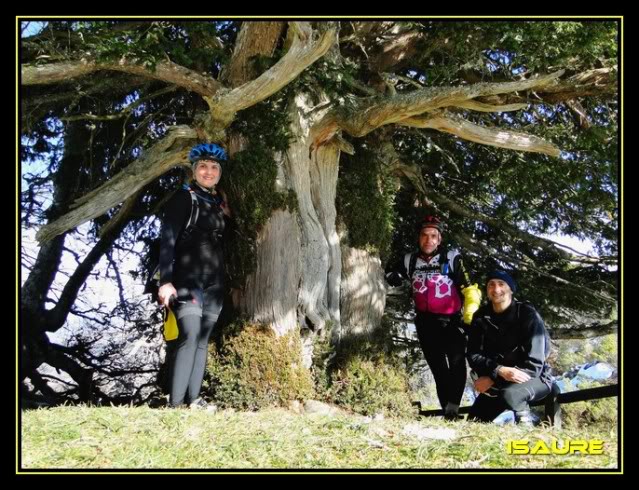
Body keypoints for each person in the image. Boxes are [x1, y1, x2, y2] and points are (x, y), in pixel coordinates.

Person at [386, 215, 481, 420]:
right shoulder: (409, 260)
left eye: (433, 236)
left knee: (456, 364)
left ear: (439, 239)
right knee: (438, 368)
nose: (428, 240)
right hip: (425, 322)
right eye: (424, 235)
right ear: (419, 238)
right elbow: (391, 274)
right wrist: (392, 276)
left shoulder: (452, 257)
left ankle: (453, 408)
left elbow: (471, 289)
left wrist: (469, 317)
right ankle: (448, 411)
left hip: (452, 321)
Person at [158, 142, 231, 409]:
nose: (208, 171)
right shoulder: (183, 197)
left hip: (215, 282)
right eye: (203, 167)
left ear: (219, 173)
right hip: (187, 279)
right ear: (194, 170)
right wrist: (165, 281)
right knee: (189, 336)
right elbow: (166, 240)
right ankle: (175, 404)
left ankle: (194, 400)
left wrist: (225, 209)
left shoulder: (216, 203)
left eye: (214, 167)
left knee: (202, 339)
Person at [467, 270, 553, 426]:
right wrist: (499, 371)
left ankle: (526, 431)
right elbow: (473, 355)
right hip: (498, 382)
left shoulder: (527, 314)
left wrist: (493, 378)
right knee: (473, 422)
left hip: (535, 378)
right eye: (491, 285)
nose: (496, 289)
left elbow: (534, 365)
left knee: (511, 394)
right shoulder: (480, 317)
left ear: (511, 289)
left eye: (501, 284)